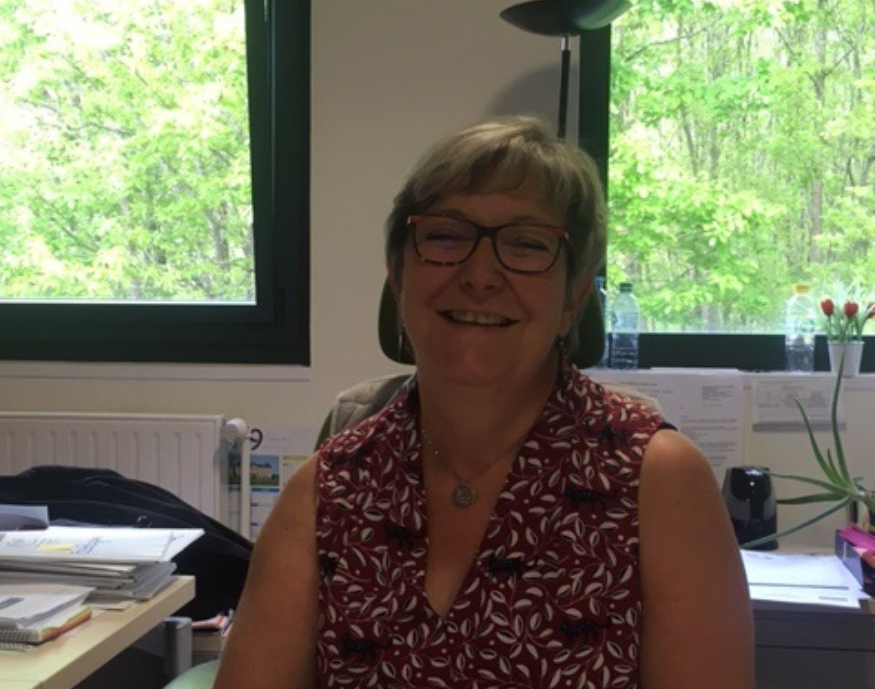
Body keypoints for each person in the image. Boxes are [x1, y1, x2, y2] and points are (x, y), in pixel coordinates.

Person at [215, 116, 754, 688]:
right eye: (446, 236)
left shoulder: (659, 482)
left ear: (573, 298)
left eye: (526, 244)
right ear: (398, 275)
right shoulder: (328, 491)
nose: (479, 275)